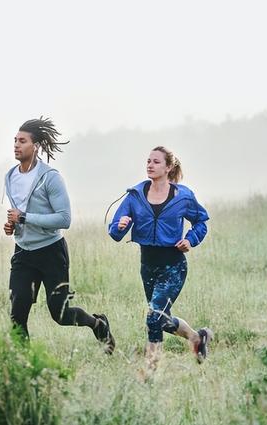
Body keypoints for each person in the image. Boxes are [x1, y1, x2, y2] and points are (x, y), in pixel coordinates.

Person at [3, 117, 116, 354]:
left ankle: (98, 324)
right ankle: (25, 367)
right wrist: (13, 226)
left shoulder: (50, 177)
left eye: (22, 141)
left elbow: (64, 219)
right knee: (17, 312)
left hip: (51, 252)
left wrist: (24, 217)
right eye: (14, 140)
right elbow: (19, 212)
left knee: (61, 314)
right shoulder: (10, 177)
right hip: (23, 253)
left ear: (35, 146)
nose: (16, 145)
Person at [108, 146, 212, 369]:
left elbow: (201, 221)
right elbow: (115, 233)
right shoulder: (135, 196)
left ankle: (150, 369)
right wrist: (121, 225)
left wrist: (190, 240)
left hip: (173, 264)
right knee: (162, 320)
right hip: (148, 265)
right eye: (148, 161)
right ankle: (197, 338)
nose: (150, 165)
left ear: (168, 167)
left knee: (153, 317)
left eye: (156, 162)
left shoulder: (183, 196)